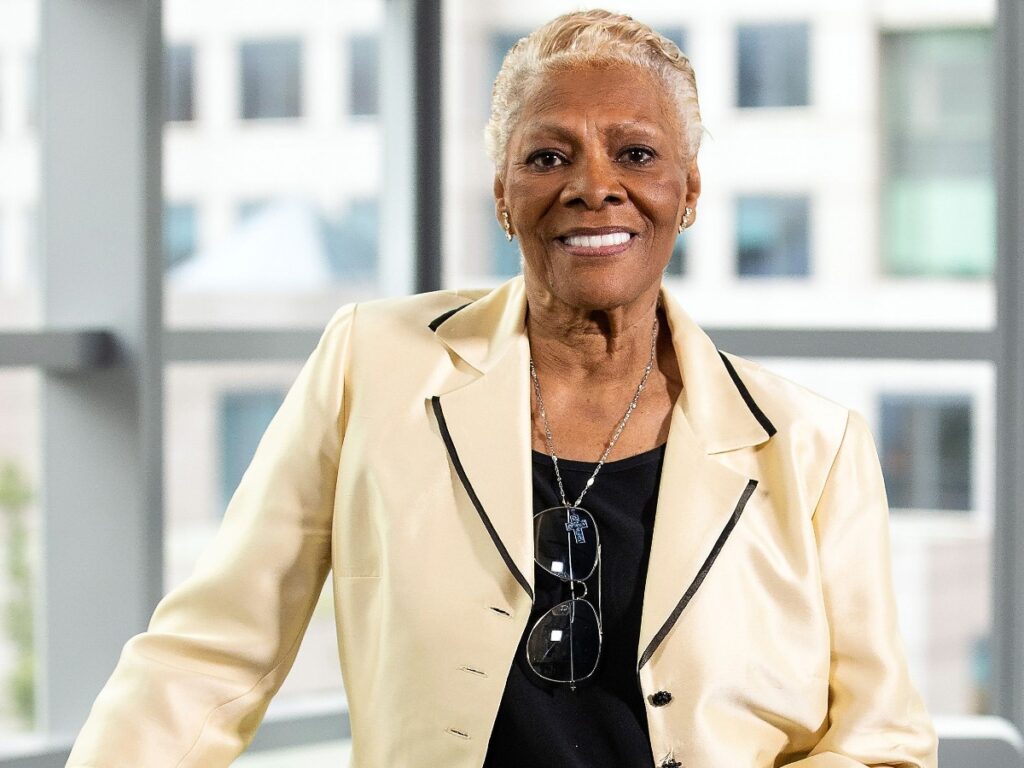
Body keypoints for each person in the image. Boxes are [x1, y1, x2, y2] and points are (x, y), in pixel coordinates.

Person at [67, 9, 938, 768]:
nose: (594, 186)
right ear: (501, 192)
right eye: (548, 155)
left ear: (689, 189)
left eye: (636, 152)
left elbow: (882, 743)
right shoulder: (372, 364)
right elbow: (210, 654)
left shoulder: (815, 447)